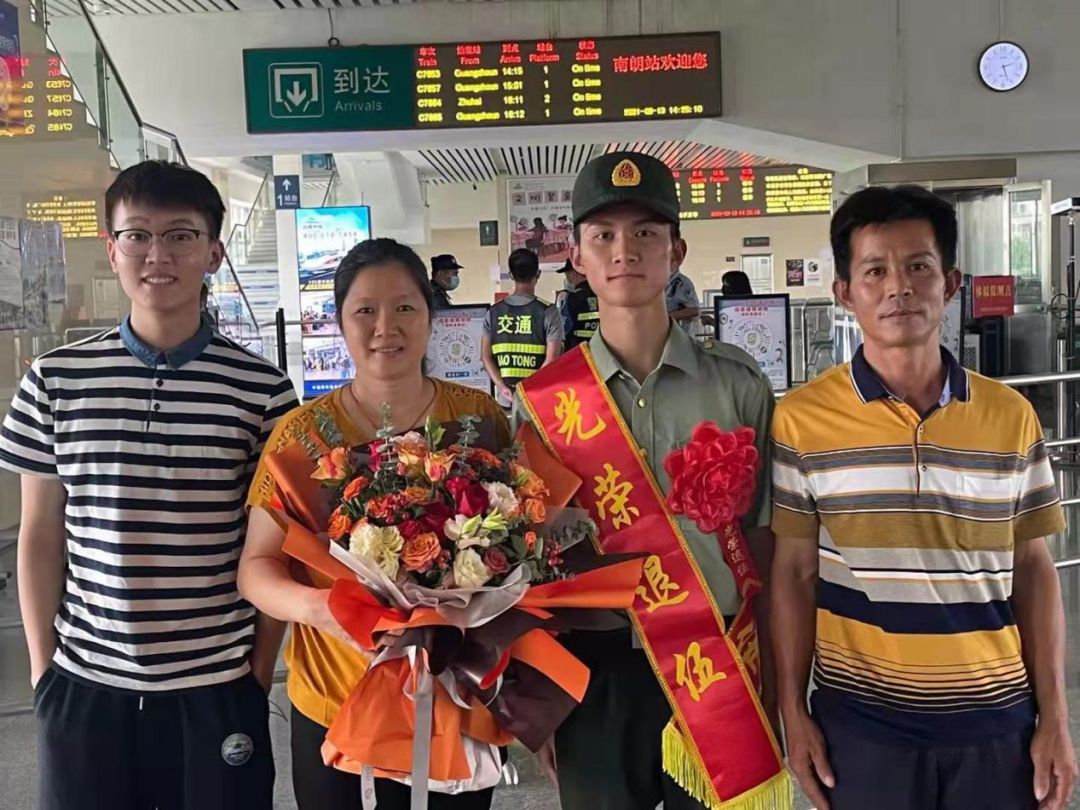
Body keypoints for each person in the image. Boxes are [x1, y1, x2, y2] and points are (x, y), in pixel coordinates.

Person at [0, 160, 298, 810]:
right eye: (137, 235)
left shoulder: (264, 393)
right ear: (111, 250)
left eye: (180, 236)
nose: (157, 254)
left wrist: (255, 677)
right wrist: (44, 673)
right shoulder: (54, 381)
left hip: (217, 689)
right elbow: (41, 536)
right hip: (86, 689)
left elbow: (275, 546)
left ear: (214, 252)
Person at [770, 185, 1077, 810]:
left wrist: (1056, 715)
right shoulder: (801, 421)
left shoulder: (1010, 416)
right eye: (874, 271)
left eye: (918, 267)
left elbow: (1034, 568)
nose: (899, 288)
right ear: (844, 292)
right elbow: (794, 573)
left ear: (951, 283)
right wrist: (792, 710)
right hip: (862, 730)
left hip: (996, 724)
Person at [512, 152, 781, 810]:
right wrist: (537, 693)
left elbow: (766, 538)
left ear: (676, 252)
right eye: (603, 235)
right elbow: (526, 558)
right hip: (593, 665)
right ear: (576, 256)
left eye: (645, 233)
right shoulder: (544, 401)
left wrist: (774, 675)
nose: (623, 251)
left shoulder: (737, 384)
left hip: (717, 655)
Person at [239, 238, 511, 810]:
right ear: (340, 322)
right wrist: (321, 610)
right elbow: (256, 569)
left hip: (452, 700)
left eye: (405, 307)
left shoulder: (479, 419)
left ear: (430, 316)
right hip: (334, 704)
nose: (386, 326)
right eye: (365, 310)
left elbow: (520, 540)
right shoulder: (301, 435)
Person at [481, 248, 563, 404]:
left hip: (505, 399)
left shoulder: (493, 312)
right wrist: (530, 390)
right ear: (538, 274)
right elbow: (552, 359)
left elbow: (485, 357)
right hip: (538, 399)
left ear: (511, 275)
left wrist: (502, 387)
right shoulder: (549, 312)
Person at [560, 258, 600, 352]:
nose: (567, 280)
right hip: (601, 352)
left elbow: (563, 329)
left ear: (573, 273)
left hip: (577, 353)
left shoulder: (571, 298)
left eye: (567, 275)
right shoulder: (602, 295)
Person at [665, 266, 700, 332]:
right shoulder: (663, 281)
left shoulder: (682, 282)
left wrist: (665, 318)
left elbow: (694, 311)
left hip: (676, 333)